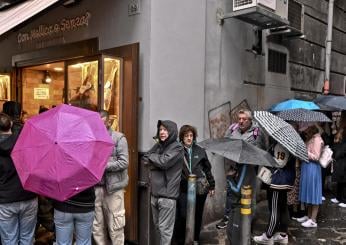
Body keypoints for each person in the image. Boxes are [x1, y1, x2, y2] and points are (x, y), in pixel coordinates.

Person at [217, 109, 265, 230]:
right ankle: (229, 218)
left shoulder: (256, 132)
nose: (241, 121)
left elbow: (259, 152)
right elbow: (225, 143)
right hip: (232, 168)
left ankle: (248, 221)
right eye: (239, 119)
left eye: (244, 119)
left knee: (248, 196)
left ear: (250, 120)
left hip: (247, 170)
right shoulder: (233, 129)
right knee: (230, 194)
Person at [142, 120, 184, 245]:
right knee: (158, 229)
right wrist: (157, 161)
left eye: (165, 130)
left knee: (165, 231)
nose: (162, 132)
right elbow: (145, 158)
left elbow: (164, 162)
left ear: (171, 132)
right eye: (160, 129)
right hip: (154, 195)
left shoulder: (177, 147)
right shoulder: (159, 146)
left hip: (167, 196)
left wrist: (155, 161)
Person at [0, 112, 38, 244]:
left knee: (9, 239)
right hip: (28, 195)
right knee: (27, 238)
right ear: (11, 124)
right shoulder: (26, 144)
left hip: (5, 200)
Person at [173, 125, 215, 244]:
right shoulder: (177, 151)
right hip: (183, 187)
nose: (189, 138)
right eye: (186, 136)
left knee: (197, 214)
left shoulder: (200, 150)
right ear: (182, 137)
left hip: (199, 188)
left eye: (191, 136)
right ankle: (181, 240)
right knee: (182, 215)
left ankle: (195, 239)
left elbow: (207, 169)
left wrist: (212, 185)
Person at [93, 110, 129, 244]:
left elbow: (124, 162)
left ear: (109, 122)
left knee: (116, 225)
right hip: (96, 187)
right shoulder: (94, 140)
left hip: (114, 189)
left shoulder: (119, 138)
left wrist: (103, 165)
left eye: (103, 123)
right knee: (97, 226)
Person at [253, 143, 295, 245]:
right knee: (282, 208)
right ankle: (282, 235)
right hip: (284, 182)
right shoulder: (289, 146)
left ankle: (268, 236)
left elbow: (279, 163)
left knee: (274, 210)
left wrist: (269, 157)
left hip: (277, 182)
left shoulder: (280, 146)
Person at [298, 125, 324, 228]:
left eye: (306, 129)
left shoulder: (317, 139)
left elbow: (316, 156)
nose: (305, 131)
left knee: (313, 193)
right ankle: (308, 216)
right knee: (308, 192)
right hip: (307, 168)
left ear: (311, 128)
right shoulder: (311, 138)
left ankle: (313, 220)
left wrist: (305, 152)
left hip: (313, 168)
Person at [331, 128, 346, 207]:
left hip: (343, 166)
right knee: (339, 182)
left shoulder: (344, 143)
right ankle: (338, 198)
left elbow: (339, 154)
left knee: (343, 183)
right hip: (340, 165)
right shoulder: (340, 143)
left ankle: (344, 201)